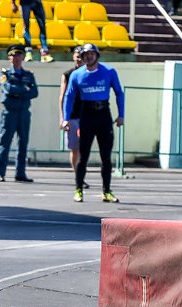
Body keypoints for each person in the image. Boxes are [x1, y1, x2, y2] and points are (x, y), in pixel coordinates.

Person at [61, 43, 123, 203]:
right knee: (83, 156)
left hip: (103, 115)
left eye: (92, 54)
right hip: (86, 116)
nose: (89, 56)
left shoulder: (109, 72)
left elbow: (119, 93)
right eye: (85, 54)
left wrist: (121, 115)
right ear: (82, 57)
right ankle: (79, 189)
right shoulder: (77, 75)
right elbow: (69, 96)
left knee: (106, 157)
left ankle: (107, 191)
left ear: (97, 55)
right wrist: (66, 118)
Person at [0, 45, 37, 183]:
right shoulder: (5, 74)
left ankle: (20, 173)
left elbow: (34, 92)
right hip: (10, 113)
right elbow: (7, 89)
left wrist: (17, 92)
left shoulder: (29, 75)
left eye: (19, 54)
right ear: (9, 57)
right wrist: (24, 90)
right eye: (13, 55)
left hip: (24, 113)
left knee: (23, 143)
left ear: (23, 57)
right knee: (5, 143)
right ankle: (0, 173)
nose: (16, 57)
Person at [59, 46, 84, 181]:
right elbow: (62, 96)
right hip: (73, 116)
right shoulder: (68, 74)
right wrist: (63, 118)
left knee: (83, 148)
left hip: (86, 116)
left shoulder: (89, 73)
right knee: (74, 148)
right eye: (77, 54)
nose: (79, 57)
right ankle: (77, 175)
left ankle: (81, 173)